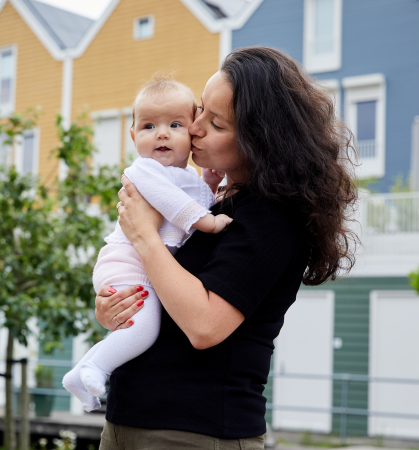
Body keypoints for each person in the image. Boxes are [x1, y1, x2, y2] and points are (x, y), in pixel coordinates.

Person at [93, 47, 358, 449]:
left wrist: (145, 238)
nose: (194, 128)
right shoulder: (210, 199)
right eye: (200, 111)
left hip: (193, 432)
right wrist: (116, 305)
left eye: (215, 123)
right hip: (130, 418)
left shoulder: (271, 217)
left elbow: (204, 326)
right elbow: (166, 292)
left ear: (258, 140)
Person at [62, 75, 232, 412]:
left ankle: (80, 372)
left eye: (175, 124)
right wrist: (208, 221)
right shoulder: (144, 170)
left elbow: (185, 204)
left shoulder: (185, 177)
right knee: (145, 329)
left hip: (139, 266)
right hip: (126, 264)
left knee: (137, 326)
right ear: (133, 135)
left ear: (192, 132)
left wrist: (211, 186)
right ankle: (96, 368)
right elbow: (172, 204)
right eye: (149, 126)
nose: (162, 133)